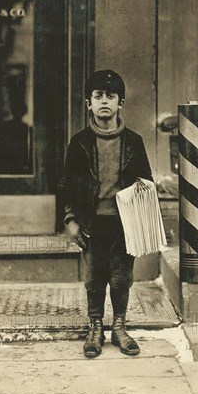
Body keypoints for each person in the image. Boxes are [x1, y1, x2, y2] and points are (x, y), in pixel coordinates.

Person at [58, 70, 153, 358]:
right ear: (88, 102)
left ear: (120, 103)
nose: (104, 102)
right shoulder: (80, 143)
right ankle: (95, 327)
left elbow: (145, 183)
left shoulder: (134, 142)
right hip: (91, 223)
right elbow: (66, 185)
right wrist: (71, 220)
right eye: (98, 96)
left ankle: (120, 327)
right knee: (94, 278)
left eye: (110, 97)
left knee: (122, 278)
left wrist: (141, 223)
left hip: (124, 225)